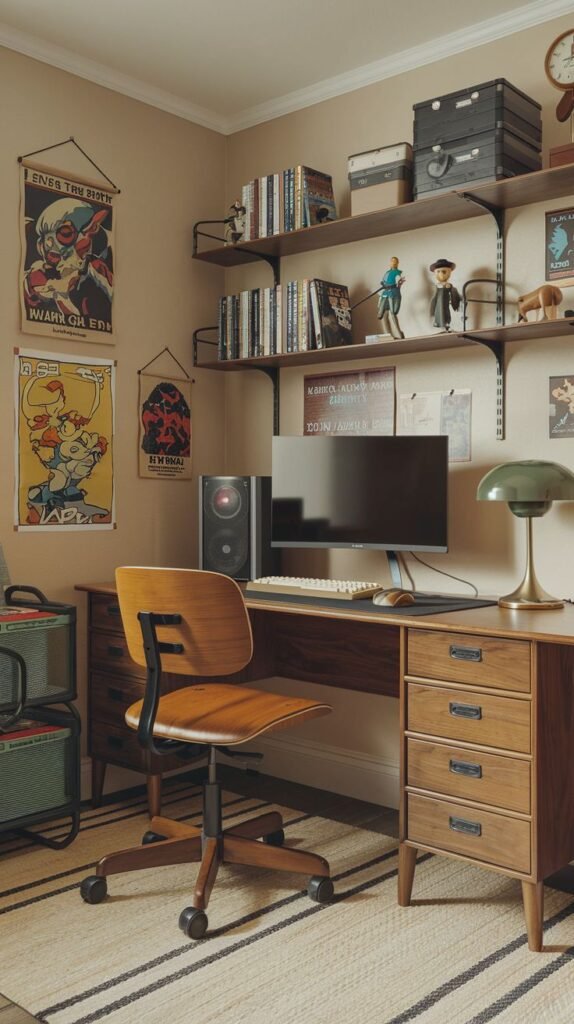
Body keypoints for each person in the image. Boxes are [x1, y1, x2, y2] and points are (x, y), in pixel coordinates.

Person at [377, 256, 405, 339]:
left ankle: (399, 333)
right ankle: (388, 335)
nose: (393, 262)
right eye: (392, 261)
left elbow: (399, 282)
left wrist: (398, 284)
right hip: (385, 293)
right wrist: (383, 284)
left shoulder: (399, 273)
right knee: (384, 313)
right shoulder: (387, 272)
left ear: (397, 263)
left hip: (393, 293)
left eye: (395, 261)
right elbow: (383, 281)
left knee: (393, 313)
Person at [429, 258, 460, 331]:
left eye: (444, 271)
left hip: (446, 303)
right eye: (438, 272)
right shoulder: (436, 286)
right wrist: (432, 309)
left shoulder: (449, 286)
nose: (441, 274)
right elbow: (433, 298)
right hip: (438, 304)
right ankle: (441, 327)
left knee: (446, 313)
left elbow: (454, 294)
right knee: (439, 313)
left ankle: (446, 325)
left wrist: (455, 302)